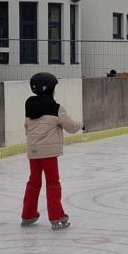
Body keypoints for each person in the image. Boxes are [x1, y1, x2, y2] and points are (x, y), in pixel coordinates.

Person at [21, 72, 83, 230]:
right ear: (49, 89)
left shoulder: (29, 105)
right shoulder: (56, 108)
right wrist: (81, 125)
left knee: (33, 182)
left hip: (33, 151)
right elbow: (70, 126)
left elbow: (27, 128)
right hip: (48, 154)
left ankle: (28, 215)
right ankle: (56, 216)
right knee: (53, 183)